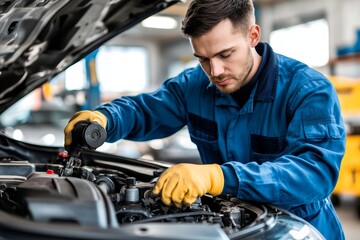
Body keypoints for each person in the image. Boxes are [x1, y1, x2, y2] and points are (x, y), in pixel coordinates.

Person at [64, 0, 346, 239]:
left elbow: (313, 174)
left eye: (225, 54)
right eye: (202, 58)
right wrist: (105, 118)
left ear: (253, 35)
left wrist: (217, 176)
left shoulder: (307, 91)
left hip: (298, 230)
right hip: (229, 226)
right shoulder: (194, 86)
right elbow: (144, 110)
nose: (215, 71)